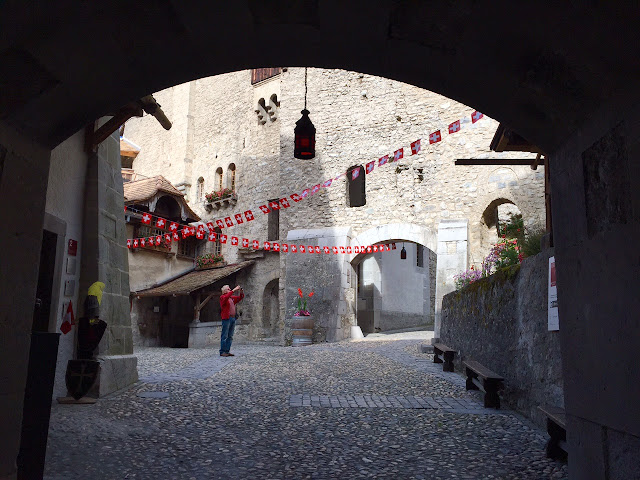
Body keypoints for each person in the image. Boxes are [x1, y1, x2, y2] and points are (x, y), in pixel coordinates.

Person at [219, 284, 243, 357]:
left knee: (230, 336)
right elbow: (226, 297)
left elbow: (240, 298)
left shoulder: (231, 298)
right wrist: (234, 290)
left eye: (230, 289)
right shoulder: (222, 297)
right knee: (224, 335)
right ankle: (222, 351)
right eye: (228, 289)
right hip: (226, 318)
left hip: (232, 318)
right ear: (225, 291)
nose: (230, 290)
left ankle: (227, 351)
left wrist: (241, 292)